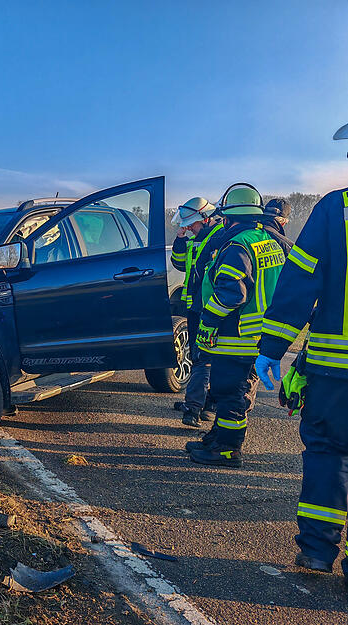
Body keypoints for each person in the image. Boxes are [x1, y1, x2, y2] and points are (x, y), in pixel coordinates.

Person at [255, 123, 348, 582]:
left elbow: (299, 283)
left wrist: (272, 347)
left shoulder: (337, 209)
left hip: (336, 372)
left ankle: (316, 551)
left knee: (328, 453)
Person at [189, 183, 286, 467]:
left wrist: (208, 320)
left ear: (229, 217)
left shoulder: (237, 246)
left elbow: (232, 293)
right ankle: (217, 438)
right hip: (259, 334)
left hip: (237, 336)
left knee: (229, 393)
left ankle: (228, 450)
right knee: (232, 389)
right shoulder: (266, 240)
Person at [169, 197, 224, 427]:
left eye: (192, 223)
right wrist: (180, 240)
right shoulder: (197, 237)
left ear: (206, 218)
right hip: (195, 306)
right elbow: (180, 264)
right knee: (197, 354)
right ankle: (198, 402)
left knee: (207, 358)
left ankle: (205, 406)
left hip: (210, 308)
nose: (189, 227)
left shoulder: (220, 237)